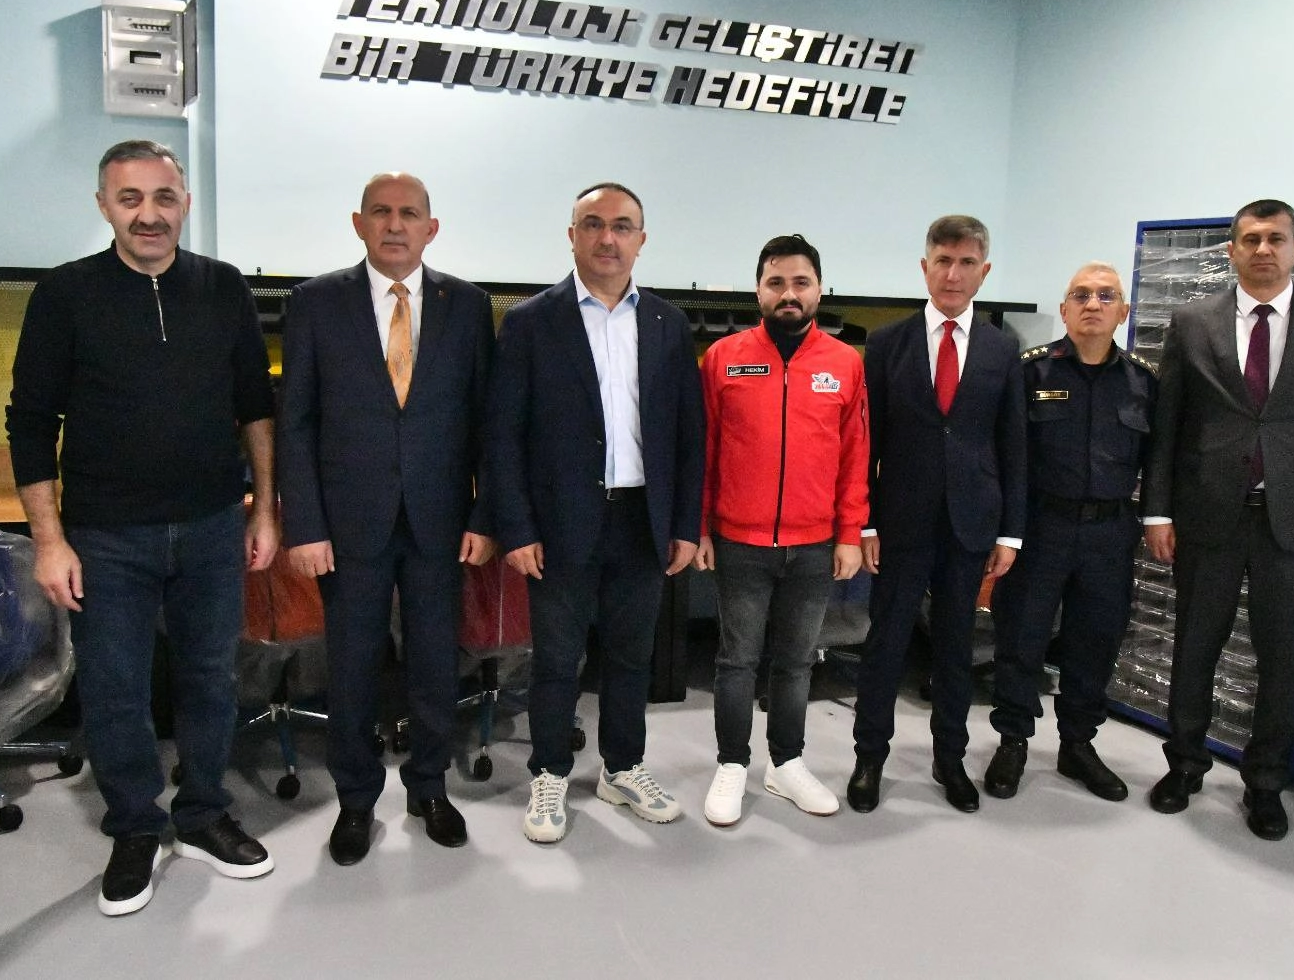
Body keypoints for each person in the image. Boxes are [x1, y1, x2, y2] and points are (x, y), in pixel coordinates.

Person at [7, 140, 278, 917]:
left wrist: (264, 505)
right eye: (130, 199)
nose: (148, 214)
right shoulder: (65, 293)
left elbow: (254, 406)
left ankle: (202, 814)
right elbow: (31, 421)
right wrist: (50, 539)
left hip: (212, 525)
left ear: (184, 202)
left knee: (210, 679)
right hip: (105, 536)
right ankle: (134, 827)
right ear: (104, 206)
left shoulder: (223, 287)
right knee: (115, 691)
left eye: (163, 197)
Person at [276, 172, 495, 866]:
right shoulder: (315, 303)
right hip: (348, 526)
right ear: (358, 223)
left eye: (409, 213)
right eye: (381, 212)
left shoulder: (467, 306)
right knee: (351, 668)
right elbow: (295, 422)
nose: (395, 225)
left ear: (432, 228)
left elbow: (486, 421)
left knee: (435, 665)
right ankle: (355, 800)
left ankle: (429, 787)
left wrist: (485, 513)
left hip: (440, 522)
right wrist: (305, 524)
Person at [1141, 198, 1294, 841]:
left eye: (1275, 238)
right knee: (1195, 648)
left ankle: (1265, 783)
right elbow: (1168, 427)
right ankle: (1184, 766)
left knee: (1282, 659)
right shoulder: (1193, 322)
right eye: (1250, 239)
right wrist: (1156, 510)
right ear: (1232, 251)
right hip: (1206, 517)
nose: (1263, 249)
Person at [487, 182, 704, 844]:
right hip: (560, 523)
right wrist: (517, 528)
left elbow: (689, 435)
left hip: (642, 518)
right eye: (593, 224)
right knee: (557, 660)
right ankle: (550, 772)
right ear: (572, 234)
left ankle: (622, 767)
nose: (608, 238)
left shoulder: (668, 324)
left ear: (641, 239)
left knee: (631, 657)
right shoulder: (530, 322)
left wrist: (685, 524)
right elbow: (503, 436)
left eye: (622, 226)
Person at [848, 215, 1026, 814]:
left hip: (971, 524)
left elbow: (1012, 444)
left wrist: (1011, 533)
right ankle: (869, 757)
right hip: (900, 523)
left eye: (966, 263)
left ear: (984, 271)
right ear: (925, 268)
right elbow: (866, 442)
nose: (953, 274)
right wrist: (866, 522)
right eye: (943, 262)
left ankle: (950, 758)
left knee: (955, 648)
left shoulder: (1003, 348)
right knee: (886, 643)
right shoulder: (887, 344)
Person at [694, 234, 869, 827]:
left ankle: (786, 763)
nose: (788, 293)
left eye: (800, 282)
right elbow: (704, 451)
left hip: (814, 544)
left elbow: (855, 455)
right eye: (776, 283)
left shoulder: (845, 364)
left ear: (819, 289)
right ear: (759, 291)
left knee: (796, 663)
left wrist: (850, 533)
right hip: (740, 542)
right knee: (737, 661)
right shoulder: (723, 358)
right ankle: (731, 765)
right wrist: (701, 528)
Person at [984, 263, 1157, 803]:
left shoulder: (1144, 382)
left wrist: (1157, 521)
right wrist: (1006, 532)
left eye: (1106, 296)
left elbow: (1159, 463)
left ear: (1123, 312)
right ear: (1064, 310)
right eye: (1080, 295)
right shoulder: (1030, 372)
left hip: (1110, 533)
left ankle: (1077, 744)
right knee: (1021, 638)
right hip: (1041, 528)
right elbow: (1007, 459)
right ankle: (1013, 740)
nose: (1092, 304)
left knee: (1095, 641)